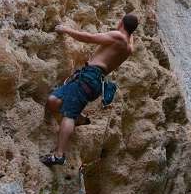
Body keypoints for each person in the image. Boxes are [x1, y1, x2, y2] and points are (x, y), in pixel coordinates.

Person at [39, 13, 138, 167]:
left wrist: (65, 30)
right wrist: (131, 32)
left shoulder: (118, 36)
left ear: (121, 23)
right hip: (94, 82)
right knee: (53, 101)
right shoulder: (129, 48)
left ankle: (59, 155)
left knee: (68, 115)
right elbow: (131, 39)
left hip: (89, 77)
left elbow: (89, 38)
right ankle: (77, 118)